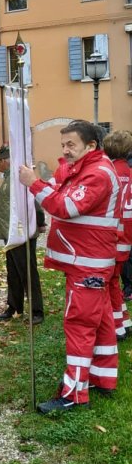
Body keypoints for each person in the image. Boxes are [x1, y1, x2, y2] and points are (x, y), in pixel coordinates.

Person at [20, 120, 121, 413]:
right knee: (101, 321)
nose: (65, 150)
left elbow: (65, 207)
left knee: (79, 325)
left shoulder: (97, 173)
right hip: (88, 262)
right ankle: (103, 378)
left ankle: (73, 394)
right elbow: (60, 191)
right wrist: (45, 180)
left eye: (71, 145)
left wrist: (33, 184)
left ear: (91, 145)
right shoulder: (85, 169)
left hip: (87, 264)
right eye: (63, 144)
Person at [0, 144, 44, 325]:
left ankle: (36, 311)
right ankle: (14, 307)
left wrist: (40, 221)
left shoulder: (18, 178)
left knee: (28, 273)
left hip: (22, 232)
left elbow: (33, 200)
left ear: (5, 161)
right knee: (13, 273)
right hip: (10, 233)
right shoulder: (9, 177)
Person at [102, 130, 132, 341]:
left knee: (110, 283)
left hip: (114, 235)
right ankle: (125, 321)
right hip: (126, 236)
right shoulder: (128, 172)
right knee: (114, 281)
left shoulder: (109, 171)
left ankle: (117, 327)